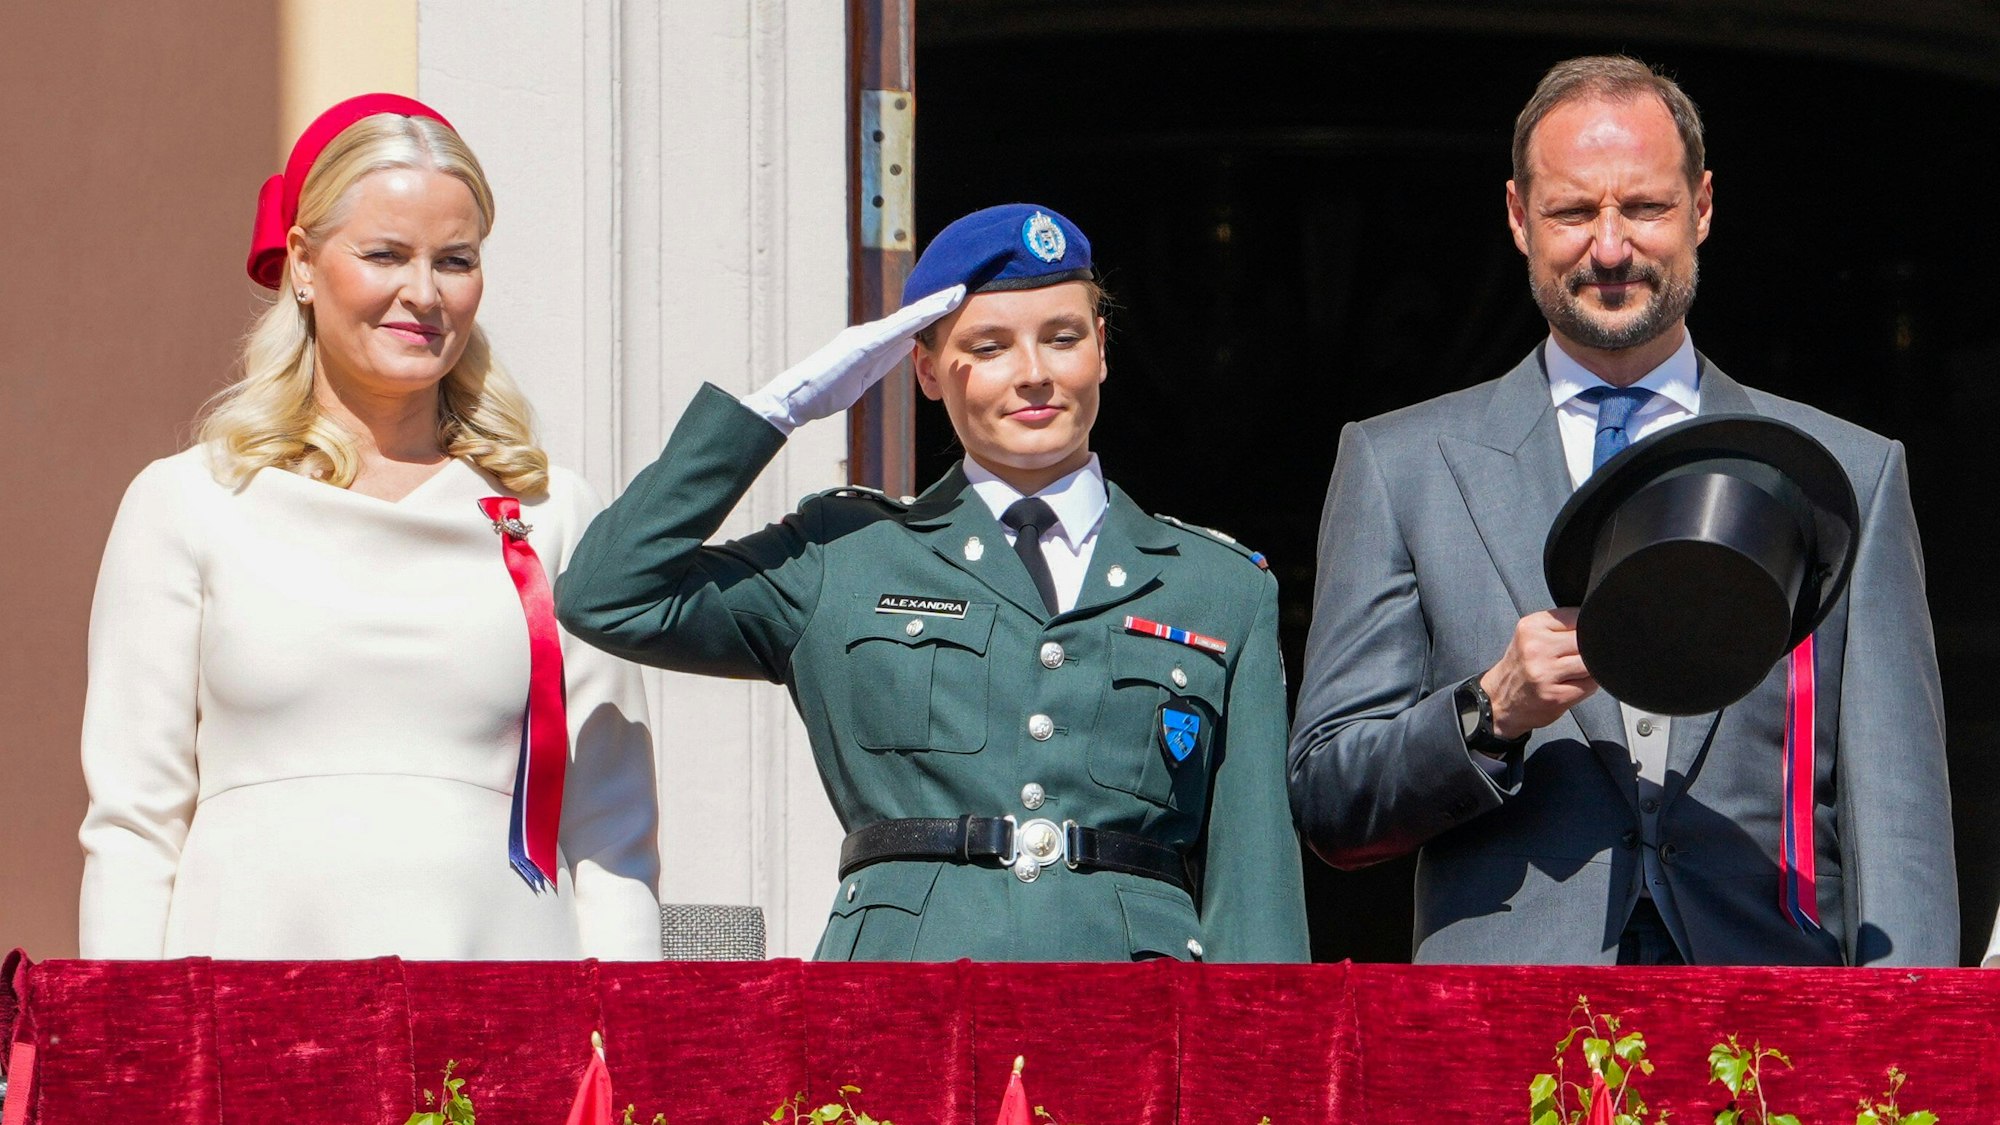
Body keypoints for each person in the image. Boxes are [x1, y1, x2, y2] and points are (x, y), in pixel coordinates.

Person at [1286, 56, 1956, 966]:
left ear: (1702, 207)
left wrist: (1911, 1037)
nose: (1609, 247)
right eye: (1572, 212)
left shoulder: (1847, 474)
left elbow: (1900, 824)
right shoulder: (1400, 465)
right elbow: (1330, 800)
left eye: (1644, 207)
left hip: (1768, 1014)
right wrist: (1489, 709)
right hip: (1505, 1023)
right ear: (1518, 216)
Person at [556, 204, 1308, 962]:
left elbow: (1256, 896)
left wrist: (1264, 1038)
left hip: (1133, 1006)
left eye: (1063, 337)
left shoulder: (1219, 587)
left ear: (1102, 349)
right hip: (899, 997)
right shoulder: (846, 554)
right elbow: (609, 594)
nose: (1035, 374)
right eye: (989, 347)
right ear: (924, 368)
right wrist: (778, 410)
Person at [77, 95, 662, 960]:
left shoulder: (554, 514)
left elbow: (612, 832)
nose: (423, 293)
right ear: (303, 264)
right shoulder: (189, 502)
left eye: (455, 260)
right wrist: (127, 1034)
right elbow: (134, 824)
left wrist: (624, 1027)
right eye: (386, 254)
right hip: (248, 1001)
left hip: (504, 1000)